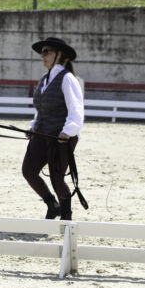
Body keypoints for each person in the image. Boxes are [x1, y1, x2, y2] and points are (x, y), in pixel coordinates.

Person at [22, 37, 84, 220]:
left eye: (46, 51)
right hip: (41, 133)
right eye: (42, 52)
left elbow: (76, 109)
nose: (42, 56)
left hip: (61, 136)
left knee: (57, 179)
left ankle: (66, 216)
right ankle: (52, 204)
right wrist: (33, 126)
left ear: (60, 54)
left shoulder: (67, 79)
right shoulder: (44, 79)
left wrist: (68, 131)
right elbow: (41, 109)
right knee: (29, 171)